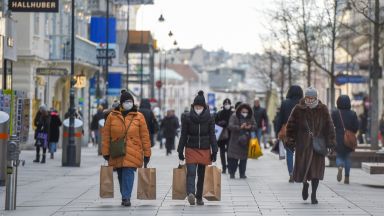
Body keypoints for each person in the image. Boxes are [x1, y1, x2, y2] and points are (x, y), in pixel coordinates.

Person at [285, 87, 336, 204]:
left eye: (312, 98)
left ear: (316, 97)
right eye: (308, 97)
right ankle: (305, 185)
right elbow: (290, 126)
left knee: (316, 172)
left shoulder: (322, 109)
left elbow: (329, 125)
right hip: (303, 146)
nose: (309, 100)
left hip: (318, 146)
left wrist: (331, 142)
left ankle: (314, 194)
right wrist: (290, 141)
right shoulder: (298, 109)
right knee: (303, 169)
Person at [102, 90, 151, 207]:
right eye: (126, 101)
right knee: (120, 174)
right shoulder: (112, 116)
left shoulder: (139, 117)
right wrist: (105, 152)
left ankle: (126, 197)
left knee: (128, 173)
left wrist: (147, 153)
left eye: (130, 101)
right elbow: (106, 135)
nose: (128, 103)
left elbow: (145, 136)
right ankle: (125, 195)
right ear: (121, 103)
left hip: (133, 150)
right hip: (117, 150)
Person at [178, 90, 218, 206]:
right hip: (191, 148)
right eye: (196, 106)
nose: (198, 108)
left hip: (205, 149)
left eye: (200, 106)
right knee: (191, 172)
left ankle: (199, 197)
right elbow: (183, 134)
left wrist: (214, 150)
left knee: (201, 175)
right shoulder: (187, 117)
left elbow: (212, 135)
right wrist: (180, 150)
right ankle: (191, 193)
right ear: (193, 106)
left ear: (204, 107)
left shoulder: (210, 118)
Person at [275, 85, 303, 182]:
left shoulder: (285, 103)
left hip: (288, 130)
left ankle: (291, 173)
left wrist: (277, 131)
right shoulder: (303, 103)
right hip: (301, 131)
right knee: (300, 153)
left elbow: (280, 118)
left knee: (289, 153)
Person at [331, 95, 359, 184]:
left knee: (339, 156)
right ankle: (347, 177)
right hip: (348, 139)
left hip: (338, 138)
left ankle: (339, 166)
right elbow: (356, 127)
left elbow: (331, 125)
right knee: (347, 157)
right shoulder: (353, 113)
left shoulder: (335, 113)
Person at [227, 103, 256, 179]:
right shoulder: (234, 116)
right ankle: (232, 173)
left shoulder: (250, 117)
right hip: (235, 141)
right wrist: (239, 127)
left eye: (246, 112)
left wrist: (250, 127)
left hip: (245, 141)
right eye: (243, 111)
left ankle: (242, 174)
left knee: (243, 159)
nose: (245, 113)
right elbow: (230, 126)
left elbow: (255, 126)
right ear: (240, 111)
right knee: (234, 159)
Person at [215, 98, 233, 174]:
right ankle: (224, 167)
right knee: (222, 152)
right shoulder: (219, 113)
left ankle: (229, 166)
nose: (227, 105)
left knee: (229, 151)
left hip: (230, 134)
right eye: (225, 104)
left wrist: (229, 125)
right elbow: (215, 123)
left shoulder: (233, 114)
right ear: (223, 105)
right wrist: (220, 123)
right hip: (222, 135)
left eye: (228, 103)